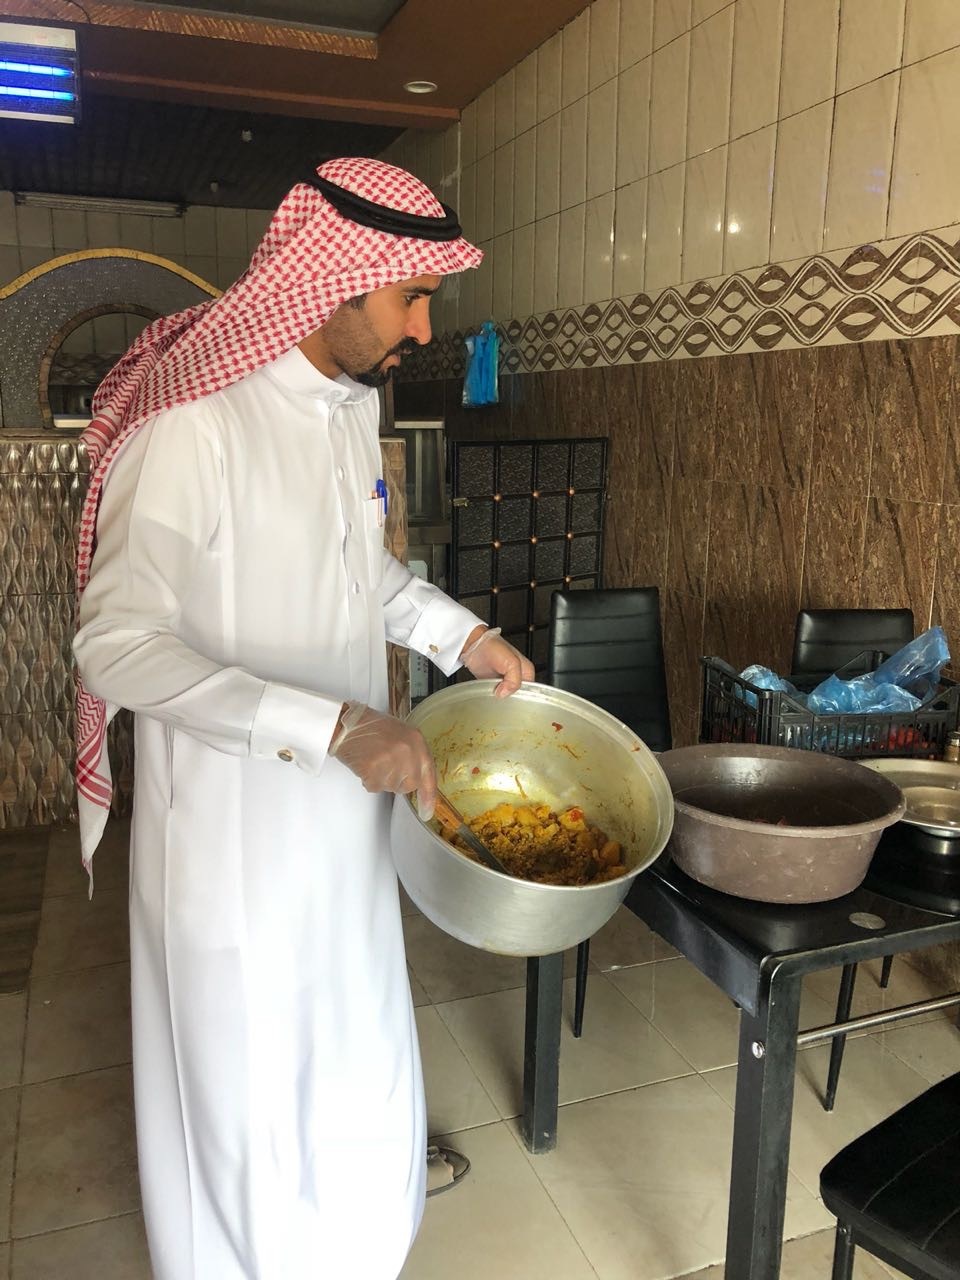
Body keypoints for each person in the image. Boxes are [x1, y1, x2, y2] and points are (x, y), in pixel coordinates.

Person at [72, 157, 534, 1280]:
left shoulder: (346, 408)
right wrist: (333, 727)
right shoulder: (195, 425)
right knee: (249, 1089)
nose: (423, 328)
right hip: (233, 839)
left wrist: (462, 635)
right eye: (411, 297)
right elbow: (115, 643)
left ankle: (358, 1241)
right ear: (334, 278)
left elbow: (360, 576)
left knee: (349, 1032)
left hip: (342, 823)